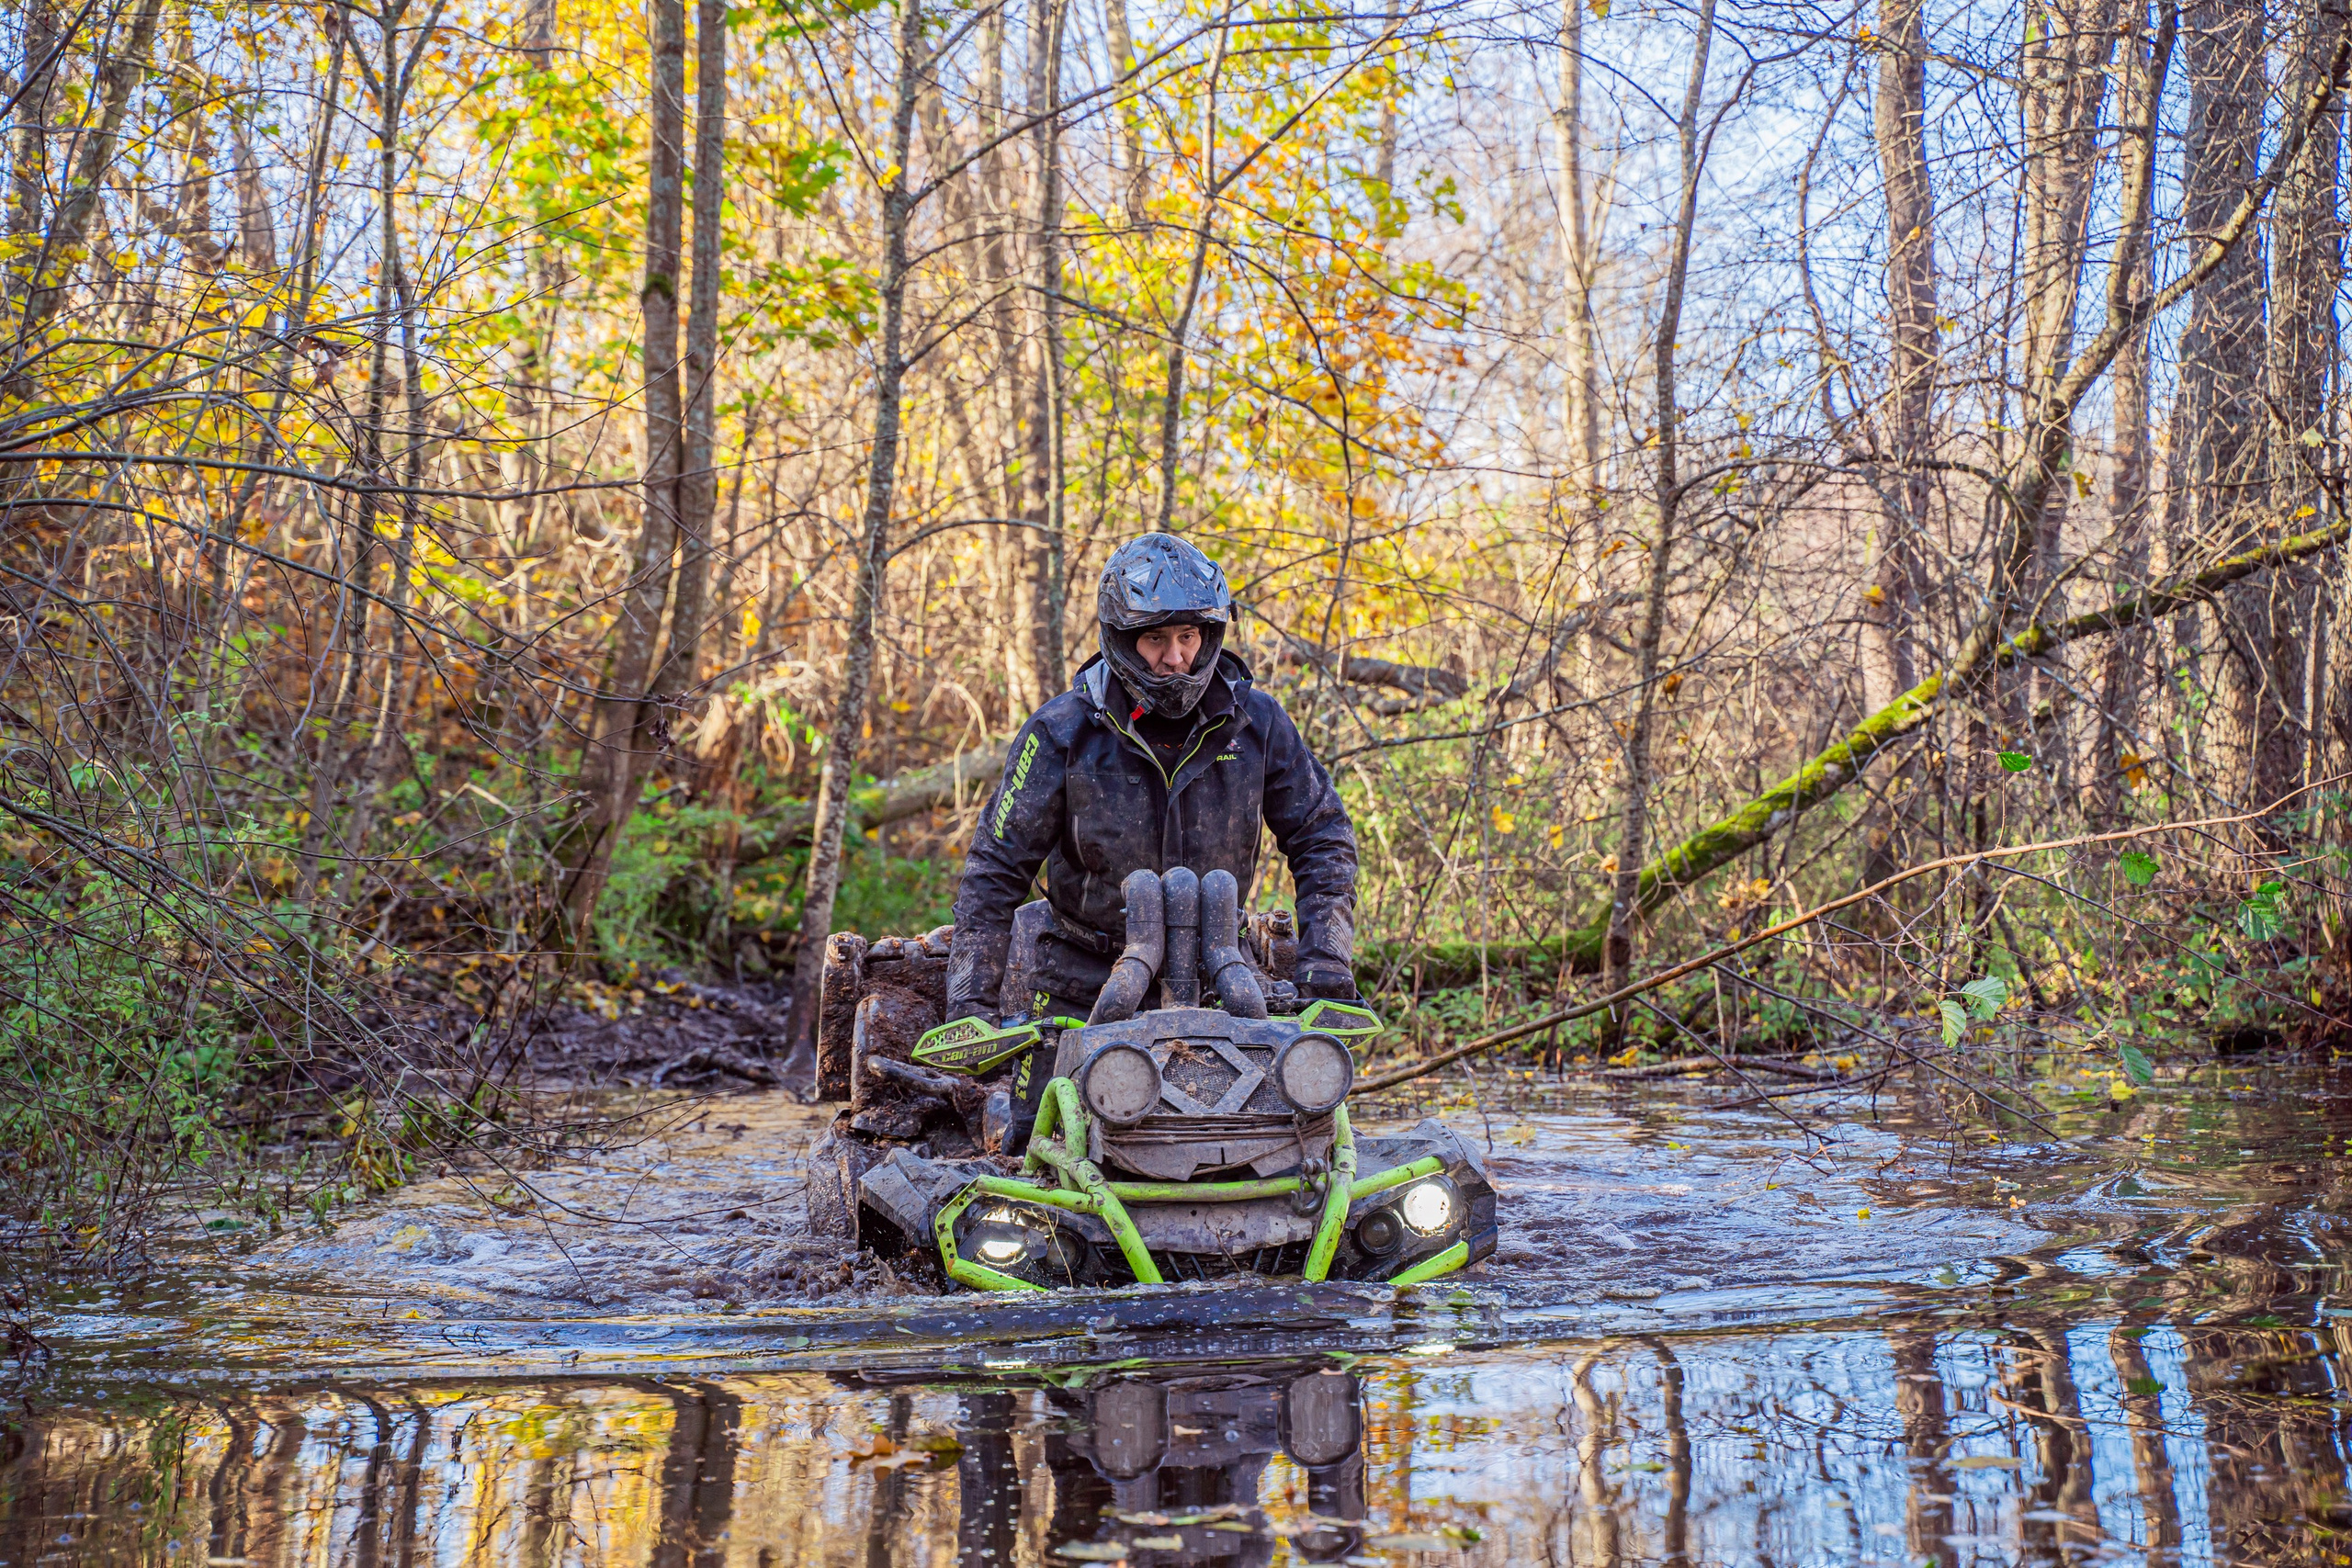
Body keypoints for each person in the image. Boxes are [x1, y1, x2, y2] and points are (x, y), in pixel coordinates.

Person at [945, 534, 1360, 1131]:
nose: (1175, 658)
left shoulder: (1258, 723)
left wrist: (1326, 966)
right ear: (1122, 641)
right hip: (1078, 984)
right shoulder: (1061, 732)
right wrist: (972, 1006)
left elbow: (1324, 837)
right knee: (1038, 1145)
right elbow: (994, 868)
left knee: (1283, 1139)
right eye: (1157, 639)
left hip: (1221, 973)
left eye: (1188, 637)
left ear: (1210, 635)